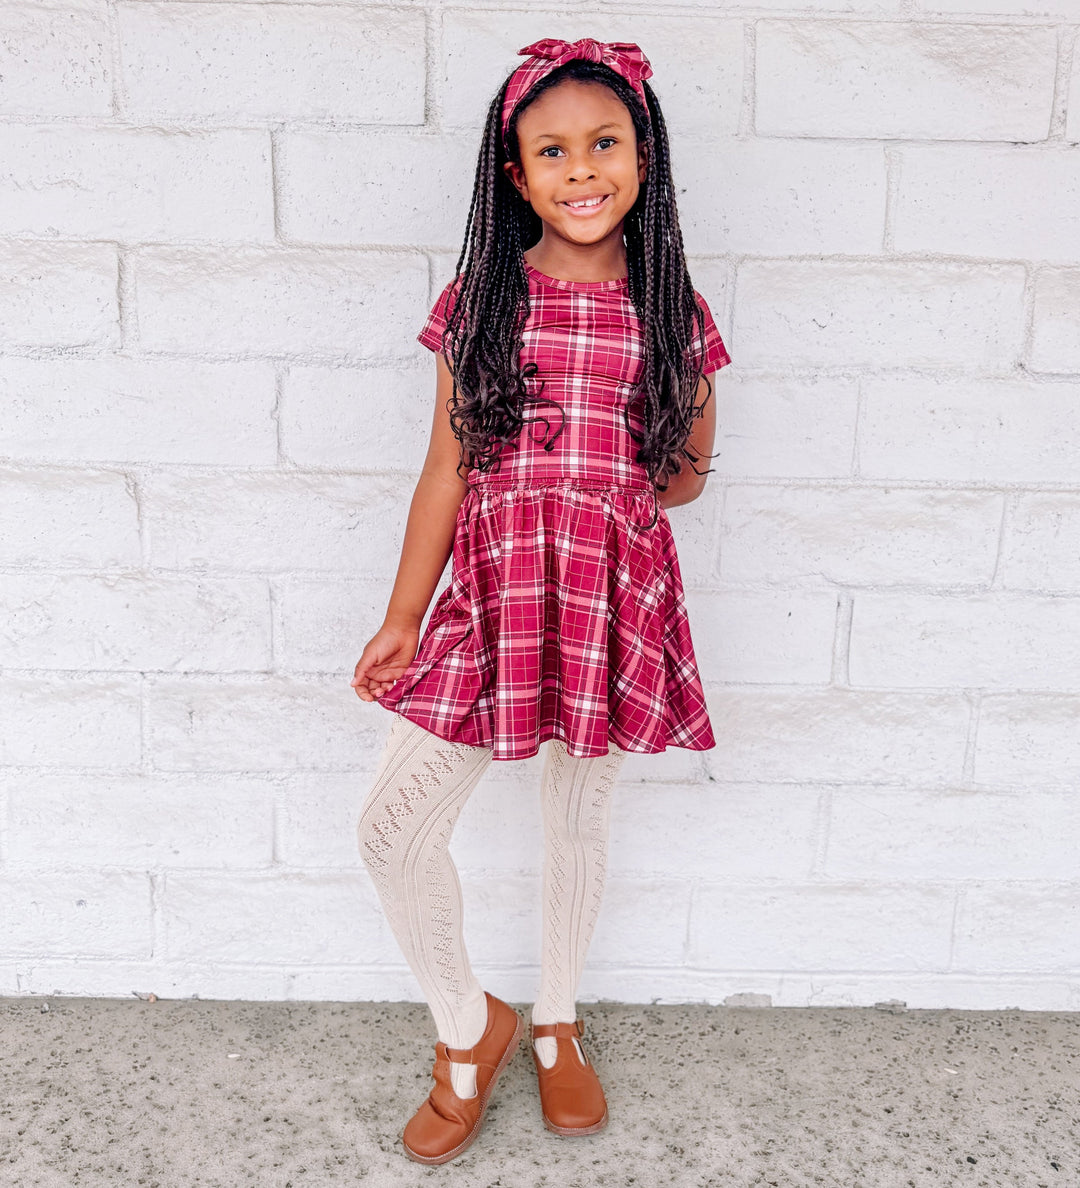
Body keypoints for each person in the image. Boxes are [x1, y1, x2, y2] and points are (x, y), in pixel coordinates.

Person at [350, 36, 732, 1165]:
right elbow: (444, 466)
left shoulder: (673, 305)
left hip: (612, 592)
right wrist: (403, 615)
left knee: (581, 815)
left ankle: (557, 1019)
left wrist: (658, 469)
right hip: (492, 588)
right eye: (551, 150)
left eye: (604, 144)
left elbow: (689, 472)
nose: (581, 170)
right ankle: (471, 1027)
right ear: (514, 175)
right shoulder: (482, 297)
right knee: (389, 827)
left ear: (642, 158)